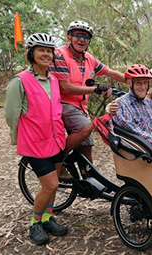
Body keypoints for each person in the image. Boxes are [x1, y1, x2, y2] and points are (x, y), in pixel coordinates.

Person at [5, 33, 69, 245]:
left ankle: (48, 217)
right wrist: (17, 138)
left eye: (49, 51)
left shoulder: (53, 80)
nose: (46, 54)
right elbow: (12, 114)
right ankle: (35, 222)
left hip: (57, 140)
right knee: (50, 185)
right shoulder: (20, 81)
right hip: (35, 143)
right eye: (41, 50)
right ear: (32, 53)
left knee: (55, 183)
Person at [51, 20, 125, 175]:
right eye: (77, 35)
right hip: (63, 103)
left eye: (86, 37)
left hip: (81, 106)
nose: (82, 40)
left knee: (87, 145)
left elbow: (110, 72)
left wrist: (134, 79)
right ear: (69, 37)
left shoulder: (88, 59)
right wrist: (96, 90)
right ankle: (57, 158)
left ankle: (89, 179)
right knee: (86, 128)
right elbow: (65, 87)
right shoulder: (60, 55)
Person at [113, 64, 152, 148]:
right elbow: (133, 130)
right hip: (143, 151)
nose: (143, 87)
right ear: (129, 83)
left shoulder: (150, 103)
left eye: (145, 83)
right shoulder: (121, 104)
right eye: (138, 83)